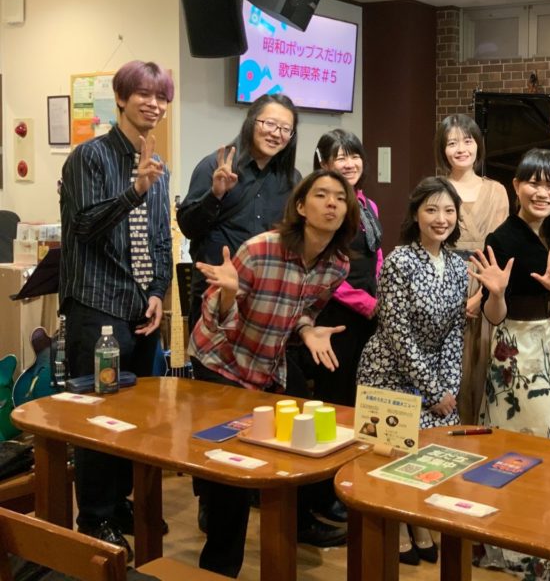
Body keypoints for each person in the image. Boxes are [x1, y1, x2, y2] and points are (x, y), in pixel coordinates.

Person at [188, 170, 359, 577]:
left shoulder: (337, 265)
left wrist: (307, 329)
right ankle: (218, 566)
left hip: (268, 362)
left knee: (307, 427)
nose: (332, 203)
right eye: (322, 195)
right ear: (301, 206)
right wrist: (229, 292)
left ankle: (298, 521)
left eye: (340, 198)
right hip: (221, 360)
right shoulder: (260, 249)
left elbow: (304, 308)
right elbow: (215, 318)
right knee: (234, 468)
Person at [58, 60, 174, 560]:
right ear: (121, 98)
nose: (154, 104)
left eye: (162, 97)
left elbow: (161, 239)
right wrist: (134, 191)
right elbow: (84, 227)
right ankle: (94, 516)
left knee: (138, 415)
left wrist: (159, 291)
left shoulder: (158, 166)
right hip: (96, 305)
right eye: (144, 94)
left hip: (141, 309)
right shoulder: (89, 157)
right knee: (98, 415)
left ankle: (119, 500)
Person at [469, 148, 550, 581]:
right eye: (533, 183)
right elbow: (493, 315)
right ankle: (520, 544)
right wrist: (497, 293)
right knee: (523, 446)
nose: (542, 193)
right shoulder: (500, 238)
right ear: (516, 186)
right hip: (517, 349)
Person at [356, 177, 468, 566]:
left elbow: (455, 333)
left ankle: (417, 519)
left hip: (435, 374)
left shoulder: (459, 265)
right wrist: (432, 391)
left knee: (434, 453)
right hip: (389, 369)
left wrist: (447, 388)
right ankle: (397, 525)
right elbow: (396, 332)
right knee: (389, 455)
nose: (441, 219)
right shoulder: (399, 261)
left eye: (449, 211)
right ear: (416, 215)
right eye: (431, 209)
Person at [178, 93, 300, 331]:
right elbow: (188, 228)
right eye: (270, 124)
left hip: (265, 299)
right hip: (215, 294)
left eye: (286, 129)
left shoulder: (292, 180)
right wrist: (215, 195)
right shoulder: (215, 165)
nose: (276, 134)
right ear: (251, 121)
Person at [434, 114, 509, 423]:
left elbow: (501, 251)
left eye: (467, 141)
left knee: (482, 362)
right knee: (448, 364)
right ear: (443, 149)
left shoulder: (497, 190)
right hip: (444, 283)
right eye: (452, 143)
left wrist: (481, 295)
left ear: (478, 145)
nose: (461, 149)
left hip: (487, 282)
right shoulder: (436, 188)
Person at [304, 129, 384, 406]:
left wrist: (380, 293)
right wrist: (364, 302)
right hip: (336, 310)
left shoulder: (368, 204)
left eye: (355, 156)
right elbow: (321, 267)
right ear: (324, 164)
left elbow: (376, 251)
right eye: (341, 158)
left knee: (366, 386)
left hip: (371, 309)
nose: (350, 164)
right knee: (336, 390)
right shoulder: (324, 208)